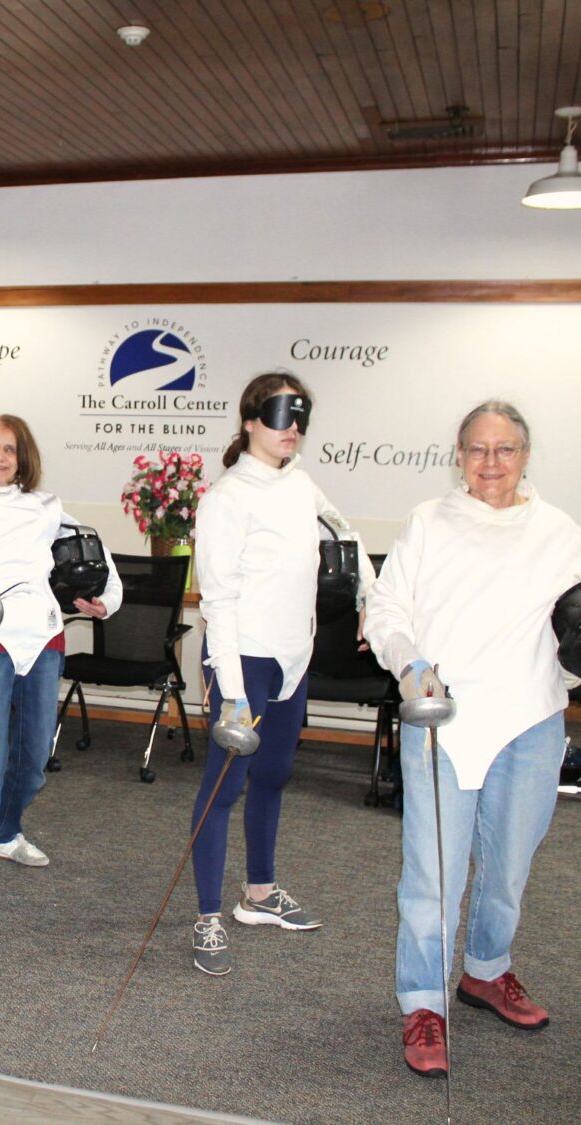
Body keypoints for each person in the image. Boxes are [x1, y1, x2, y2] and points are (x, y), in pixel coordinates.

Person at [364, 400, 581, 1077]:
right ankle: (423, 1001)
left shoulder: (559, 532)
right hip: (444, 719)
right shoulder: (428, 522)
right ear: (459, 455)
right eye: (476, 448)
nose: (490, 462)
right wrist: (409, 660)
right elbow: (387, 607)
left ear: (525, 455)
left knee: (507, 868)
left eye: (504, 449)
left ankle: (486, 968)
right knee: (432, 876)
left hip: (530, 723)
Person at [190, 371, 372, 974]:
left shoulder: (301, 485)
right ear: (249, 421)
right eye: (278, 414)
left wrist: (369, 598)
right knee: (225, 785)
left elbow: (346, 534)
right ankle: (208, 916)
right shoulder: (225, 498)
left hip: (295, 657)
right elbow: (216, 601)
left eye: (300, 417)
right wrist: (235, 693)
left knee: (274, 774)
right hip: (244, 661)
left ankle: (260, 896)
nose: (291, 426)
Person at [0, 415, 121, 926]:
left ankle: (5, 833)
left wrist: (105, 600)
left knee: (34, 761)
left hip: (43, 640)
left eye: (8, 449)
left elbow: (98, 553)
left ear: (22, 457)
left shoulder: (45, 508)